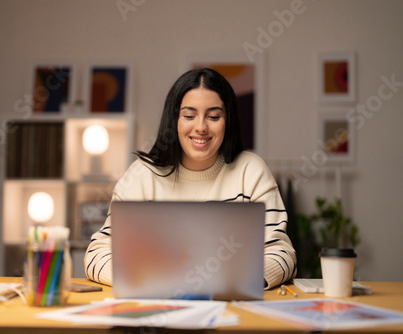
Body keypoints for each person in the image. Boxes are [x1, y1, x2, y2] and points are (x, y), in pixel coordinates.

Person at [84, 68, 297, 290]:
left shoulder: (250, 171)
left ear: (228, 121)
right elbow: (96, 254)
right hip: (155, 305)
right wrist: (142, 277)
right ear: (174, 119)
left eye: (214, 116)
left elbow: (282, 253)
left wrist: (242, 280)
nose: (201, 127)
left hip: (231, 306)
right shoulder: (141, 176)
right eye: (189, 115)